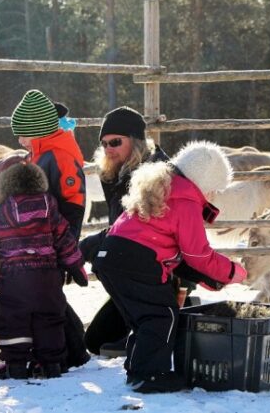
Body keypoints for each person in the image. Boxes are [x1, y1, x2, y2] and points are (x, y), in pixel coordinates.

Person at [92, 141, 247, 393]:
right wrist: (230, 271)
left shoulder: (161, 187)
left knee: (144, 320)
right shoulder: (186, 199)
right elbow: (197, 253)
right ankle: (150, 375)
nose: (212, 196)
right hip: (137, 261)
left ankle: (137, 369)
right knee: (162, 315)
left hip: (110, 257)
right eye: (214, 190)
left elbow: (181, 258)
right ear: (203, 182)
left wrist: (213, 280)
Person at [0, 161, 88, 380]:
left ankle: (15, 364)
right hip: (47, 277)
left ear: (5, 186)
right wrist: (76, 267)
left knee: (12, 319)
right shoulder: (49, 207)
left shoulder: (1, 213)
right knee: (49, 318)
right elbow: (65, 240)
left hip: (15, 279)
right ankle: (51, 363)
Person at [79, 106, 170, 357]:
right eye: (105, 143)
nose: (109, 148)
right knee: (96, 340)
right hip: (132, 269)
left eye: (116, 142)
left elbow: (135, 229)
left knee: (103, 256)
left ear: (136, 141)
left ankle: (163, 317)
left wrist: (87, 247)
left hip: (156, 270)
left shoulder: (156, 173)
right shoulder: (115, 172)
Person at [10, 89, 90, 369]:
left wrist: (63, 243)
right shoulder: (40, 154)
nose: (20, 140)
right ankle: (75, 351)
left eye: (23, 134)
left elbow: (73, 201)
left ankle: (69, 353)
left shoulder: (58, 155)